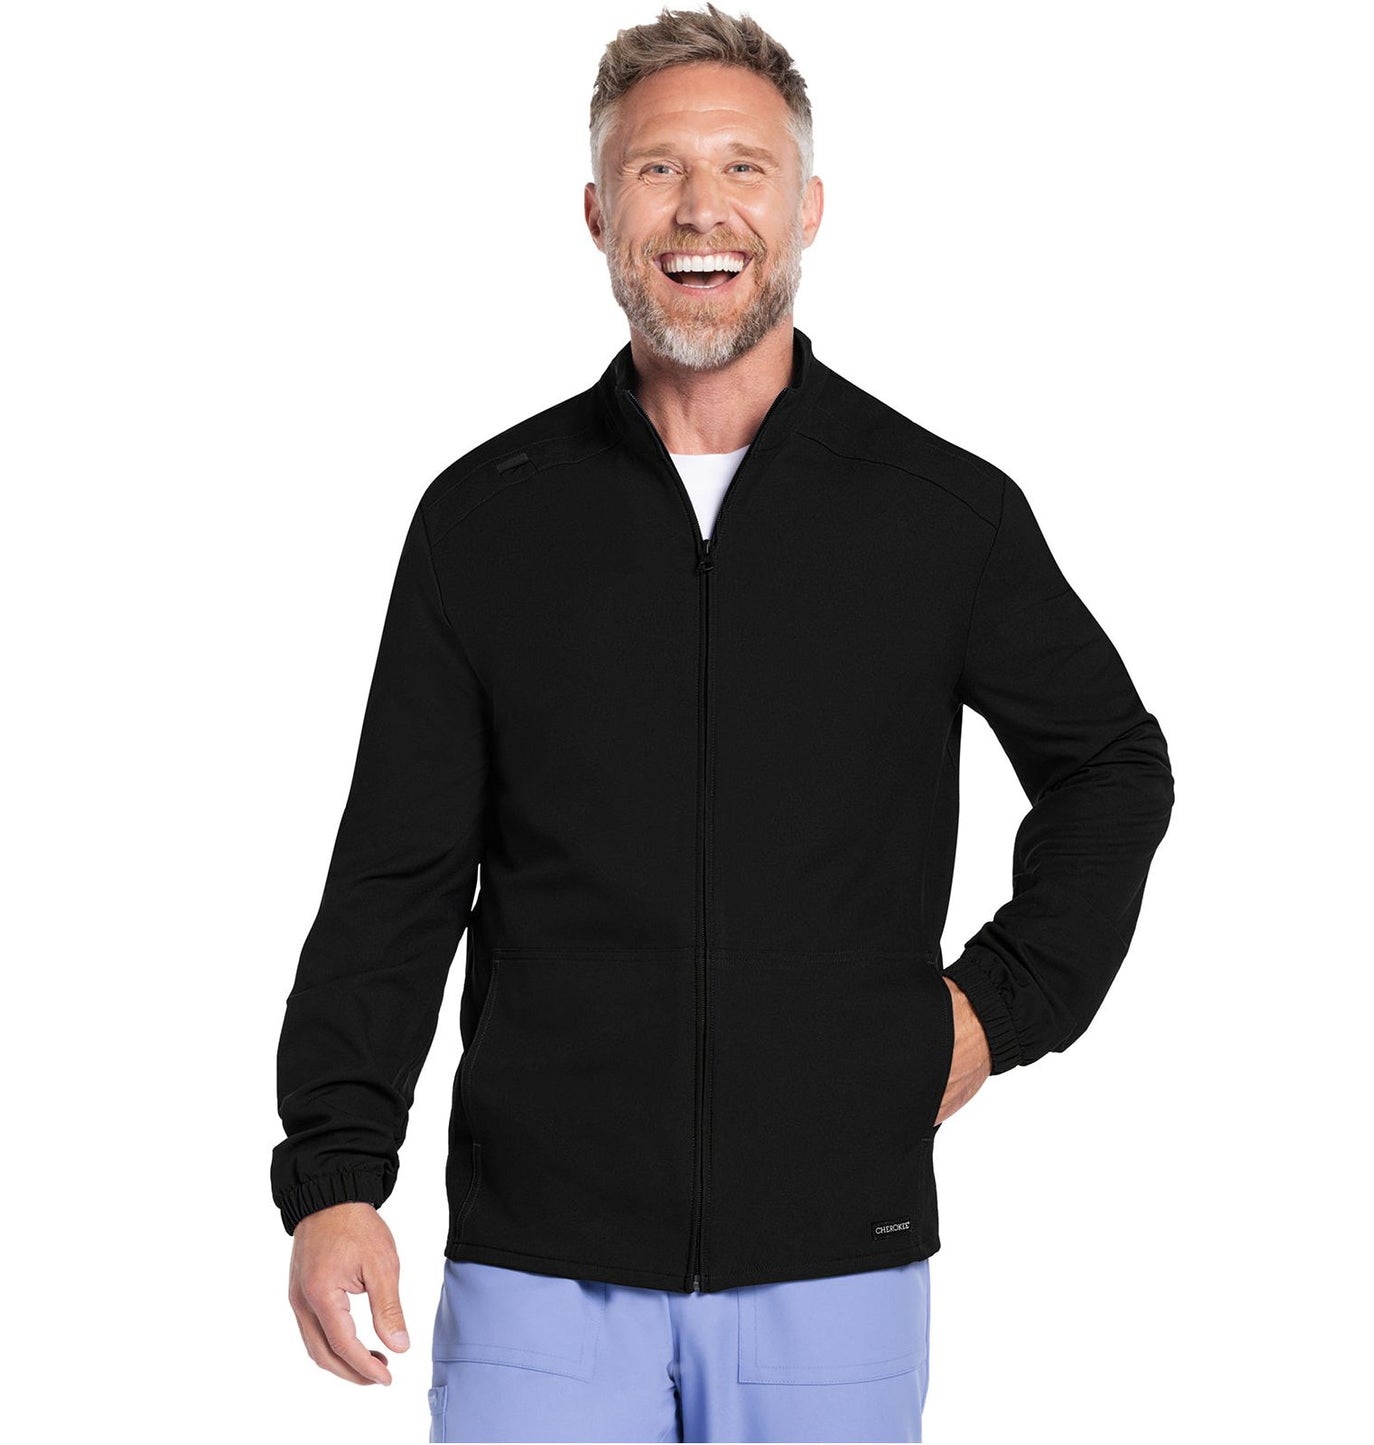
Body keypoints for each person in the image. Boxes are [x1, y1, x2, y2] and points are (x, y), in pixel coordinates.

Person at [272, 6, 1175, 1441]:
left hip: (835, 1251)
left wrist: (997, 1011)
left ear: (806, 208)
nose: (702, 210)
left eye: (744, 169)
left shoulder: (939, 516)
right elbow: (397, 871)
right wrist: (335, 1173)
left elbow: (1109, 766)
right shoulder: (486, 522)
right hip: (537, 1262)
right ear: (597, 212)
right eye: (657, 170)